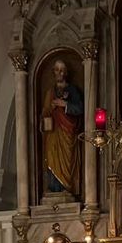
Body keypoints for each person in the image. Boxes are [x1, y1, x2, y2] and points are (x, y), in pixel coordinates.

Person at [41, 59, 83, 197]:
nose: (59, 73)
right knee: (52, 157)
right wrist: (50, 109)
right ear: (53, 72)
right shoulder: (50, 92)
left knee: (67, 159)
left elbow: (80, 109)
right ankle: (53, 188)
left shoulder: (73, 91)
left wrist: (65, 104)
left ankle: (66, 186)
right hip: (53, 133)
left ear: (66, 73)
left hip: (67, 132)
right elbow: (45, 113)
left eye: (62, 70)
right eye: (57, 70)